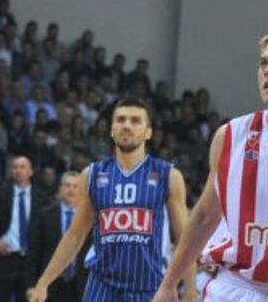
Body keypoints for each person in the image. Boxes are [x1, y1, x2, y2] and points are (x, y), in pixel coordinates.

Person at [153, 31, 268, 302]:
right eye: (264, 63)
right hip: (235, 288)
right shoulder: (231, 136)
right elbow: (205, 215)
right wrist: (169, 283)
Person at [28, 99, 194, 302]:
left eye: (135, 121)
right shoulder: (92, 175)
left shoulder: (168, 175)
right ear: (112, 130)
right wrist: (43, 282)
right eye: (121, 120)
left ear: (148, 132)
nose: (127, 125)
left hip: (149, 287)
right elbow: (75, 235)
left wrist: (191, 291)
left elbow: (186, 237)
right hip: (102, 287)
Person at [0, 155, 47, 302]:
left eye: (22, 167)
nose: (18, 170)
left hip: (30, 261)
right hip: (6, 258)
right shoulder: (0, 193)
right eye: (15, 167)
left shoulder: (41, 197)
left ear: (31, 172)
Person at [25, 171, 87, 302]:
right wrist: (31, 285)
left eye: (76, 186)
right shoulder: (44, 216)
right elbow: (34, 253)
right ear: (60, 189)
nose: (71, 189)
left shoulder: (90, 219)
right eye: (67, 185)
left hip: (81, 284)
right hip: (50, 285)